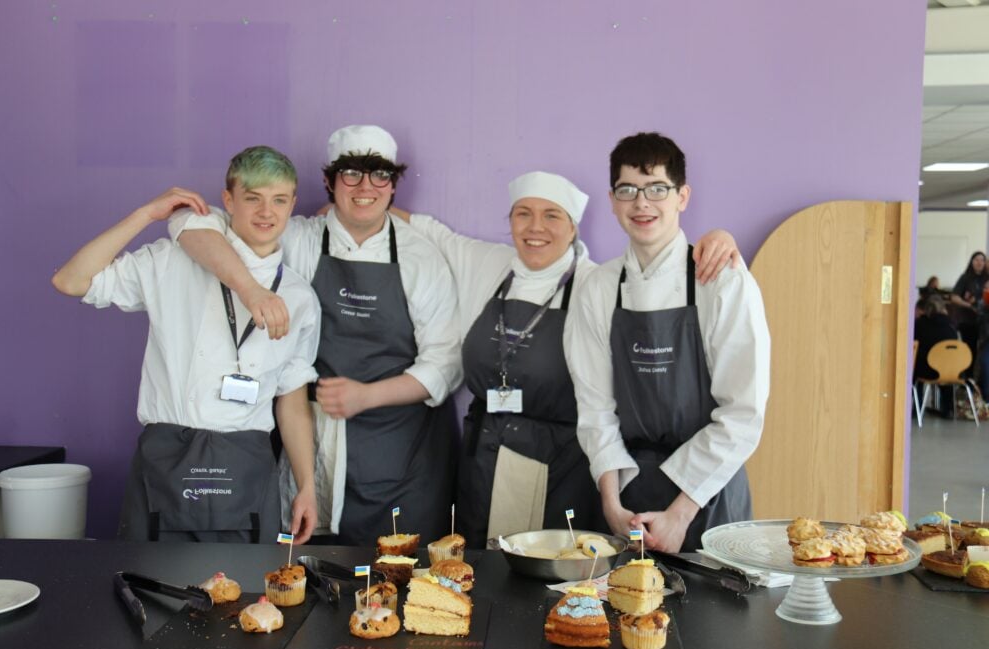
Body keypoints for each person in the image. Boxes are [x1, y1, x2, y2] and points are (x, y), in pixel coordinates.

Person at [394, 173, 740, 548]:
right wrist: (355, 209)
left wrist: (720, 238)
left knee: (546, 569)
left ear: (574, 226)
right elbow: (431, 233)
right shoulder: (490, 263)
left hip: (559, 462)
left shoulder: (597, 285)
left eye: (552, 216)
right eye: (522, 214)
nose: (535, 227)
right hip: (483, 455)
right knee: (478, 564)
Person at [166, 126, 462, 545]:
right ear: (329, 181)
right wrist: (251, 290)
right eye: (351, 174)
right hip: (312, 436)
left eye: (379, 175)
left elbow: (446, 363)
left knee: (400, 580)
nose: (365, 187)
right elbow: (190, 223)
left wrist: (367, 395)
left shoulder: (421, 259)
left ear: (393, 185)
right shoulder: (298, 237)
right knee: (311, 577)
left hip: (403, 449)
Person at [51, 146, 321, 543]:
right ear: (228, 201)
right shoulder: (171, 261)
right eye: (253, 199)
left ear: (292, 204)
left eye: (279, 200)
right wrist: (144, 215)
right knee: (150, 590)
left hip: (248, 461)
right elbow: (70, 281)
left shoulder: (299, 297)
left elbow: (293, 403)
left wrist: (307, 486)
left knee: (249, 599)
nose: (267, 212)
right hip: (167, 457)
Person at [565, 132, 770, 553]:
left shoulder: (723, 281)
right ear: (612, 200)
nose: (642, 203)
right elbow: (595, 409)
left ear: (682, 196)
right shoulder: (597, 288)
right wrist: (610, 504)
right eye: (628, 190)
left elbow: (743, 414)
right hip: (625, 490)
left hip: (708, 493)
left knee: (714, 618)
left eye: (658, 188)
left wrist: (680, 513)